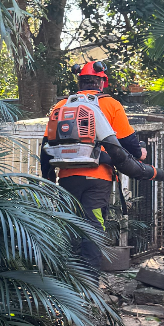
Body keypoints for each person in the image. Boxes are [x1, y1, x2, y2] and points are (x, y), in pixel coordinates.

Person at [40, 61, 147, 271]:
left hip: (68, 178)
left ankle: (69, 280)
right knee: (93, 227)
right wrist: (140, 152)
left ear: (79, 82)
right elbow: (128, 143)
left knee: (70, 225)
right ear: (102, 82)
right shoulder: (110, 104)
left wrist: (49, 179)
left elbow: (46, 146)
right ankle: (89, 283)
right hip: (98, 179)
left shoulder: (62, 106)